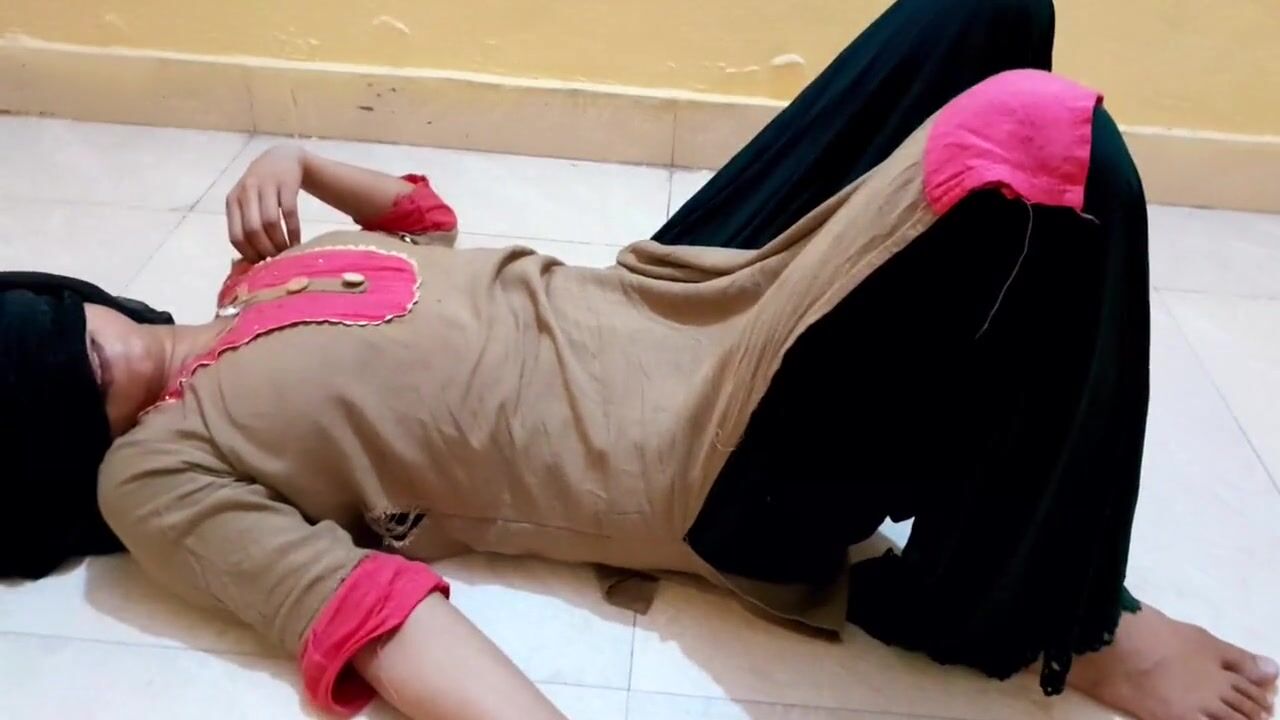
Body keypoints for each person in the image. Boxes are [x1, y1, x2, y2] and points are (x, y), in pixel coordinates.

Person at [1, 1, 1275, 719]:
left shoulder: (251, 283)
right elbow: (369, 616)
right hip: (700, 453)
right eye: (61, 375)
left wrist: (302, 160)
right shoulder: (152, 476)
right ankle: (1053, 621)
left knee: (979, 14)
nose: (99, 347)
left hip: (665, 289)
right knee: (1042, 150)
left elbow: (432, 231)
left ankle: (983, 459)